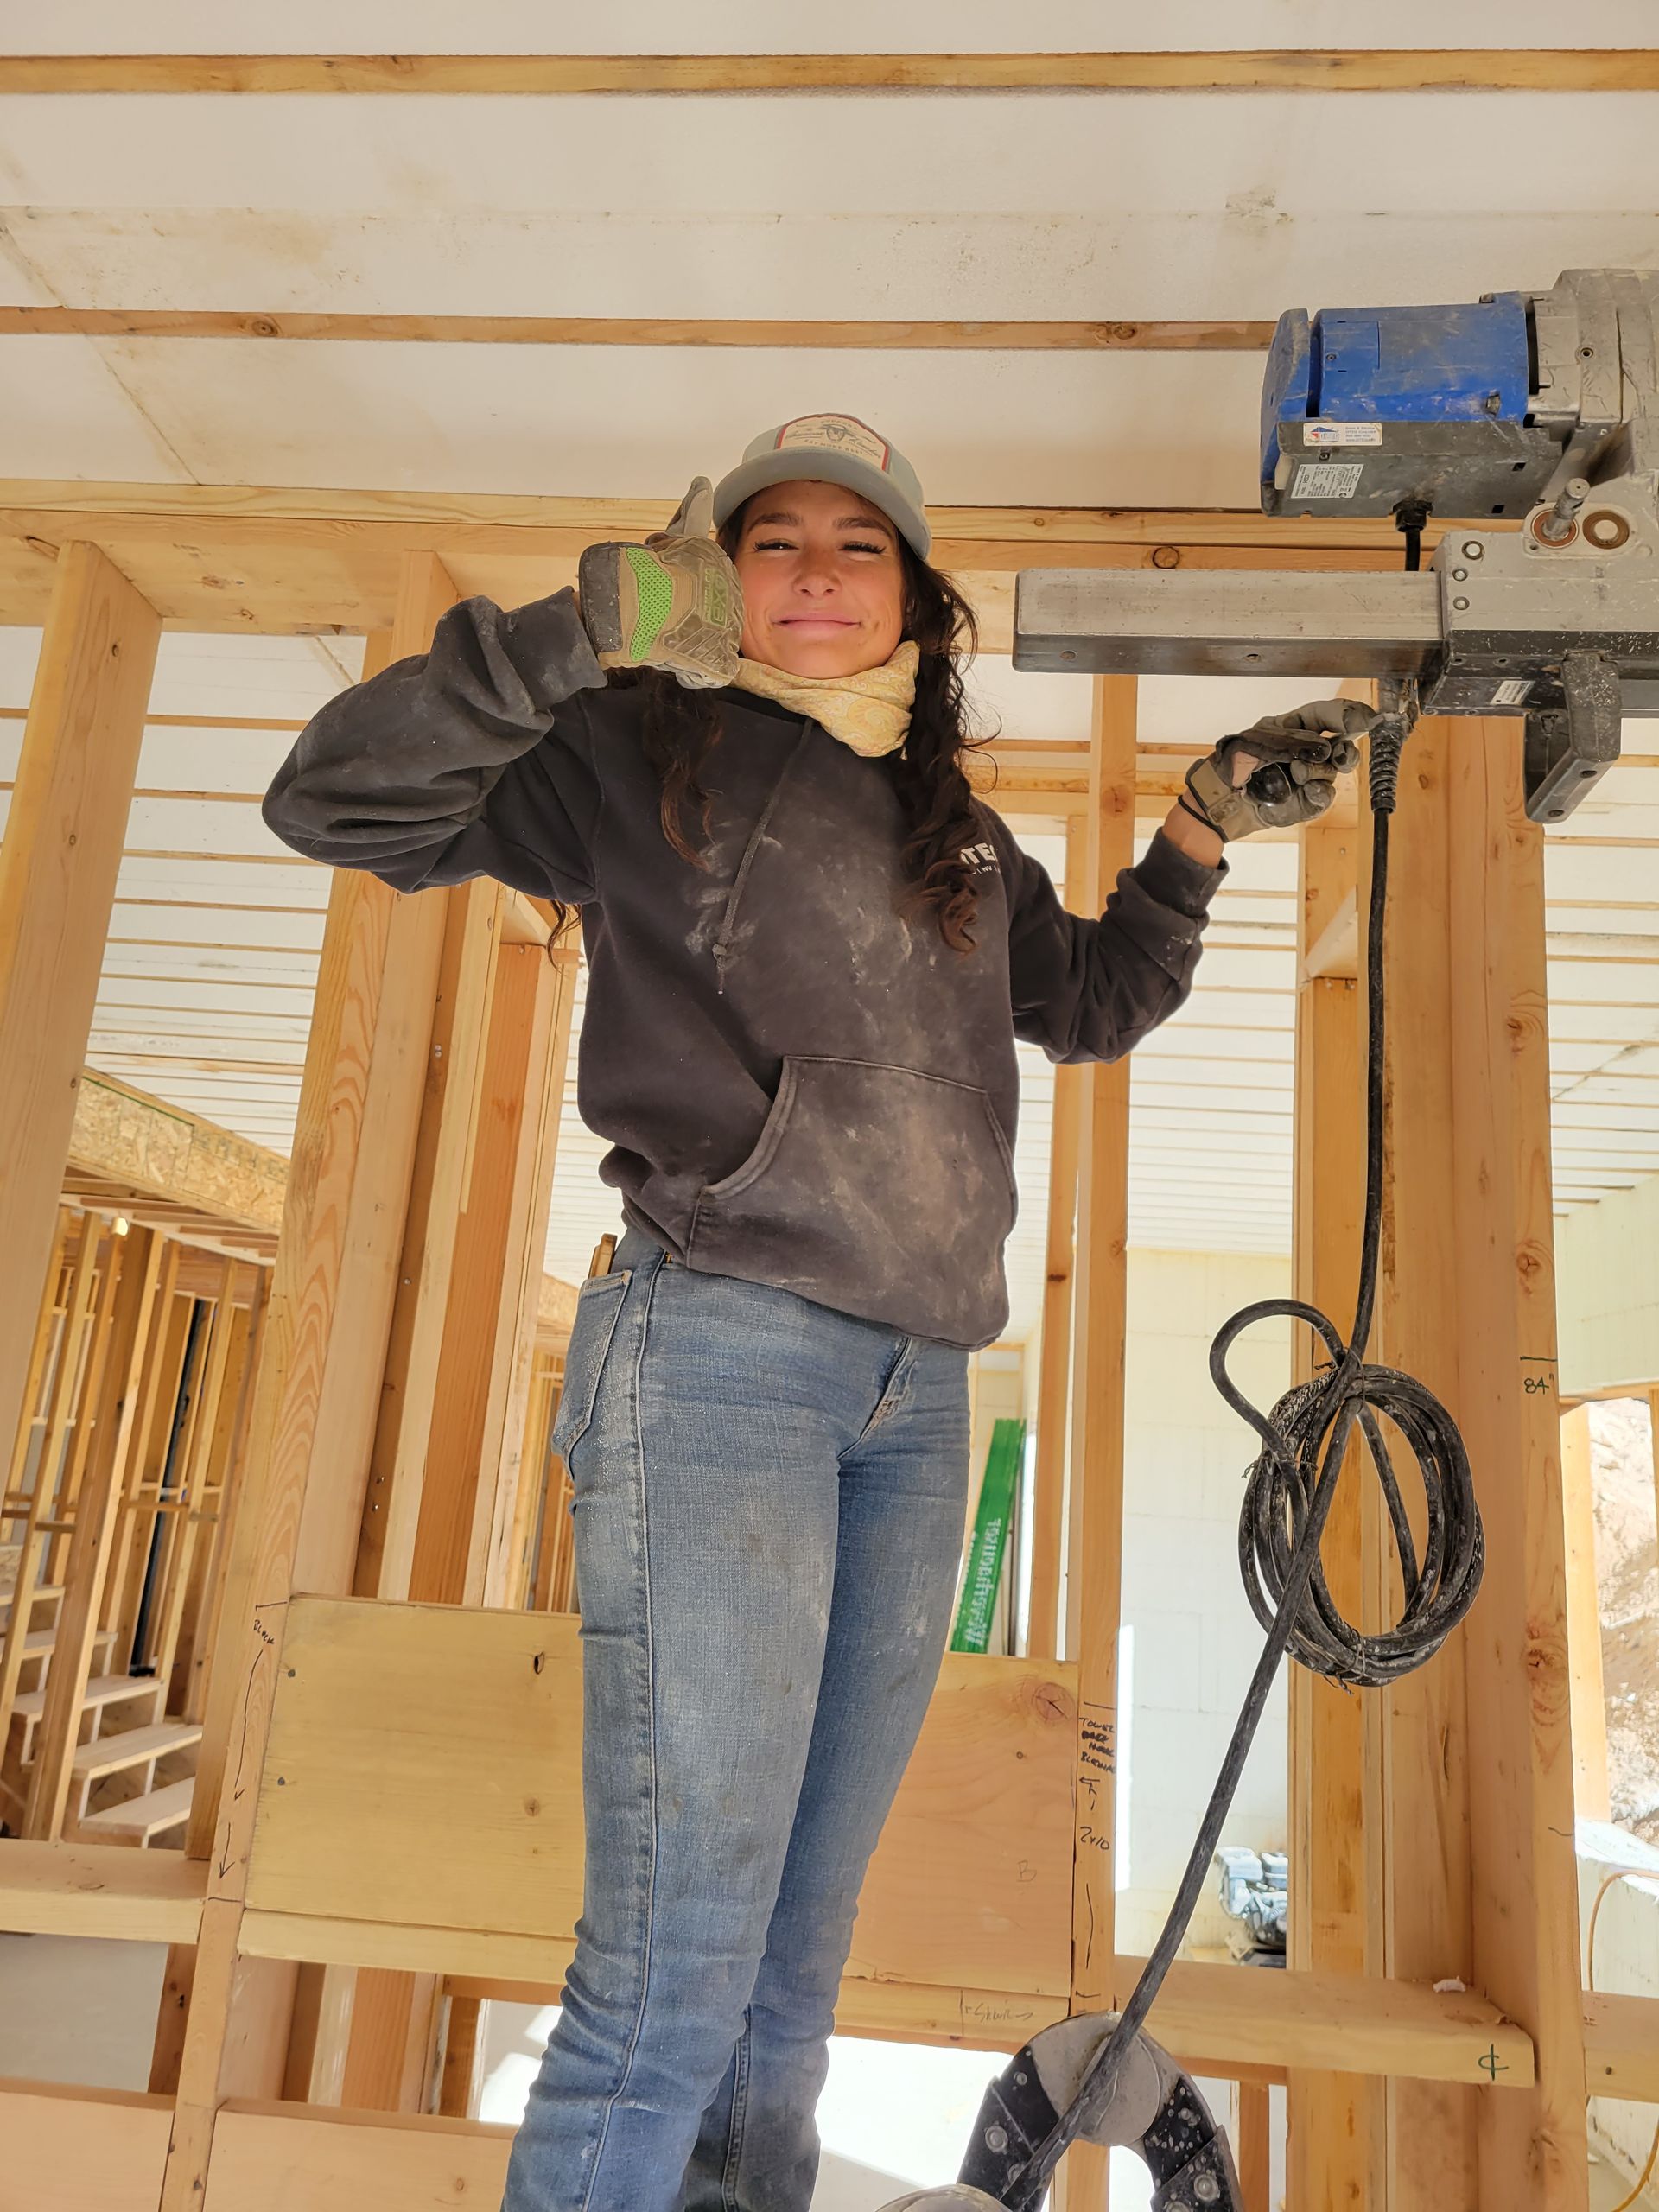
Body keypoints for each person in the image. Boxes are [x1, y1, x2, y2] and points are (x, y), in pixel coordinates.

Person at [262, 414, 1365, 2212]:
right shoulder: (634, 755)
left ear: (917, 606)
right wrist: (567, 628)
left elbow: (1085, 1000)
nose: (819, 575)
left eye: (863, 548)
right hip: (720, 1356)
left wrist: (1192, 832)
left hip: (918, 1387)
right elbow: (333, 800)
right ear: (711, 578)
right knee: (674, 1960)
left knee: (790, 1954)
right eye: (776, 542)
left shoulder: (958, 840)